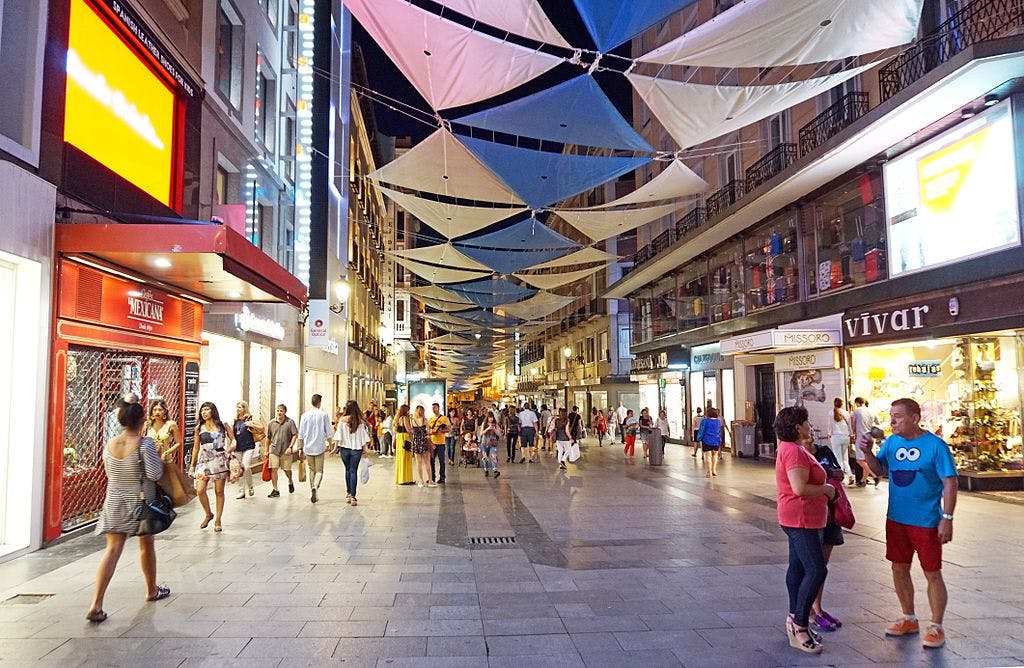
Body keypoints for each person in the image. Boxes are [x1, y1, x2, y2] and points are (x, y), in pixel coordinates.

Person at [859, 398, 958, 649]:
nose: (892, 421)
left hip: (926, 521)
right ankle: (908, 617)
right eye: (892, 416)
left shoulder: (936, 446)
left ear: (915, 418)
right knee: (898, 567)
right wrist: (868, 453)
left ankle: (936, 625)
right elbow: (879, 470)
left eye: (899, 416)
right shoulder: (891, 442)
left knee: (932, 572)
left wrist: (947, 518)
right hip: (896, 519)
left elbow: (950, 483)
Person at [86, 394, 169, 623]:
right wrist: (160, 459)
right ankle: (151, 589)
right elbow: (154, 474)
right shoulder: (145, 443)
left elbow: (110, 472)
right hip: (140, 504)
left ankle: (96, 603)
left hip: (114, 502)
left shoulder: (110, 444)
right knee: (147, 545)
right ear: (143, 420)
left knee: (112, 550)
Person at [774, 405, 836, 655]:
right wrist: (826, 490)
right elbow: (799, 488)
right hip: (800, 518)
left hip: (801, 518)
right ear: (797, 426)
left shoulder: (792, 449)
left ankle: (794, 620)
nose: (809, 425)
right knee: (816, 569)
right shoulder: (794, 452)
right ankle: (800, 623)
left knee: (798, 568)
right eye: (806, 421)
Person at [803, 424, 846, 633]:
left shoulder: (825, 451)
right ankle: (808, 612)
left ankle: (818, 608)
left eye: (811, 427)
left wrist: (836, 474)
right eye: (805, 427)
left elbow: (840, 474)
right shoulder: (796, 455)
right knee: (813, 566)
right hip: (811, 516)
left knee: (822, 565)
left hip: (831, 513)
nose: (810, 431)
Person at [190, 401, 234, 532]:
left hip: (219, 459)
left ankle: (218, 520)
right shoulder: (199, 428)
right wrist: (192, 466)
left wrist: (231, 448)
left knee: (219, 491)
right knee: (200, 490)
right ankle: (208, 513)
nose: (204, 412)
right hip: (204, 460)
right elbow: (196, 448)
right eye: (202, 410)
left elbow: (234, 439)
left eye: (207, 409)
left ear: (212, 411)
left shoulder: (222, 425)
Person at [334, 400, 371, 506]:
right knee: (353, 471)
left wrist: (335, 448)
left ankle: (348, 493)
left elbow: (338, 436)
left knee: (347, 470)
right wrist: (365, 450)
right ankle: (353, 497)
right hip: (356, 450)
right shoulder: (360, 422)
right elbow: (363, 438)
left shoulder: (342, 420)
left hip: (344, 449)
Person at [297, 394, 332, 504]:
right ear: (319, 402)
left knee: (312, 470)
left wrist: (300, 448)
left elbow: (301, 434)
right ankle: (316, 487)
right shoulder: (323, 415)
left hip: (308, 447)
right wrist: (331, 445)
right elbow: (328, 432)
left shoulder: (304, 416)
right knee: (319, 471)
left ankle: (313, 490)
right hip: (319, 446)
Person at [264, 404, 298, 498]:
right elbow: (268, 438)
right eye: (278, 410)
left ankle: (290, 481)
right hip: (274, 450)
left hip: (286, 450)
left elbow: (295, 435)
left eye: (281, 411)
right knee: (274, 469)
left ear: (285, 412)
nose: (279, 412)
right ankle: (275, 490)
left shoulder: (290, 422)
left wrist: (290, 447)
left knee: (287, 469)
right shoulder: (271, 423)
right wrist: (266, 450)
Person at [230, 400, 260, 499]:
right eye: (237, 407)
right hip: (238, 447)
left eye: (240, 407)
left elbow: (262, 428)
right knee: (239, 469)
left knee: (246, 467)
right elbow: (231, 435)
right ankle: (241, 491)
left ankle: (250, 486)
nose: (238, 409)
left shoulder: (249, 418)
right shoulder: (234, 420)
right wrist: (229, 448)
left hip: (249, 446)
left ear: (244, 408)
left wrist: (251, 425)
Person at [850, 397, 880, 486]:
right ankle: (863, 480)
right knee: (865, 460)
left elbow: (853, 424)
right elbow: (877, 423)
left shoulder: (856, 411)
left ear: (857, 403)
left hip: (861, 437)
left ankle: (875, 476)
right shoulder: (872, 411)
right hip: (870, 438)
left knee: (859, 460)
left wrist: (853, 435)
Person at [828, 398, 855, 484]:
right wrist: (851, 435)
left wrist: (829, 434)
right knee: (845, 458)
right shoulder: (846, 413)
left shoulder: (830, 413)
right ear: (842, 404)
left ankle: (841, 478)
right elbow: (849, 426)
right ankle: (850, 475)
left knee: (838, 458)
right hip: (845, 436)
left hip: (835, 437)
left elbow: (829, 426)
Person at [696, 407, 727, 477]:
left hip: (706, 440)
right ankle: (714, 470)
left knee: (708, 456)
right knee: (715, 455)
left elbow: (701, 430)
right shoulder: (718, 421)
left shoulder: (705, 421)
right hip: (716, 440)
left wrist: (699, 438)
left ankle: (709, 472)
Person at [428, 403, 450, 485]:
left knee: (441, 461)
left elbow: (448, 429)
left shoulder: (444, 418)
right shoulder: (431, 419)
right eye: (432, 408)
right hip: (432, 442)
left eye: (435, 408)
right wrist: (431, 432)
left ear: (438, 408)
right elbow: (428, 429)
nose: (434, 409)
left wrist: (441, 431)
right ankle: (432, 477)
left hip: (441, 442)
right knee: (431, 461)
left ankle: (442, 478)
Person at [410, 405, 433, 487]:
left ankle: (420, 481)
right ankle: (430, 481)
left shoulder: (412, 421)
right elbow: (429, 431)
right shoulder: (425, 420)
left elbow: (411, 431)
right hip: (424, 441)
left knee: (418, 463)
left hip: (416, 442)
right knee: (427, 462)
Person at [393, 404, 414, 485]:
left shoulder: (397, 418)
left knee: (400, 458)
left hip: (399, 437)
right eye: (408, 410)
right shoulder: (404, 418)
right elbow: (408, 429)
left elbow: (395, 429)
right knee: (406, 458)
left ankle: (400, 478)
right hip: (405, 437)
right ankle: (405, 479)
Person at [479, 413, 502, 478]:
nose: (491, 419)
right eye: (489, 417)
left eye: (492, 417)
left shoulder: (496, 424)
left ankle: (495, 470)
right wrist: (488, 428)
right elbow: (481, 433)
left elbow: (499, 434)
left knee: (493, 456)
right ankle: (486, 469)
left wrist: (494, 429)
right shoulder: (484, 424)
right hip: (484, 443)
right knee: (485, 457)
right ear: (487, 418)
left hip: (493, 443)